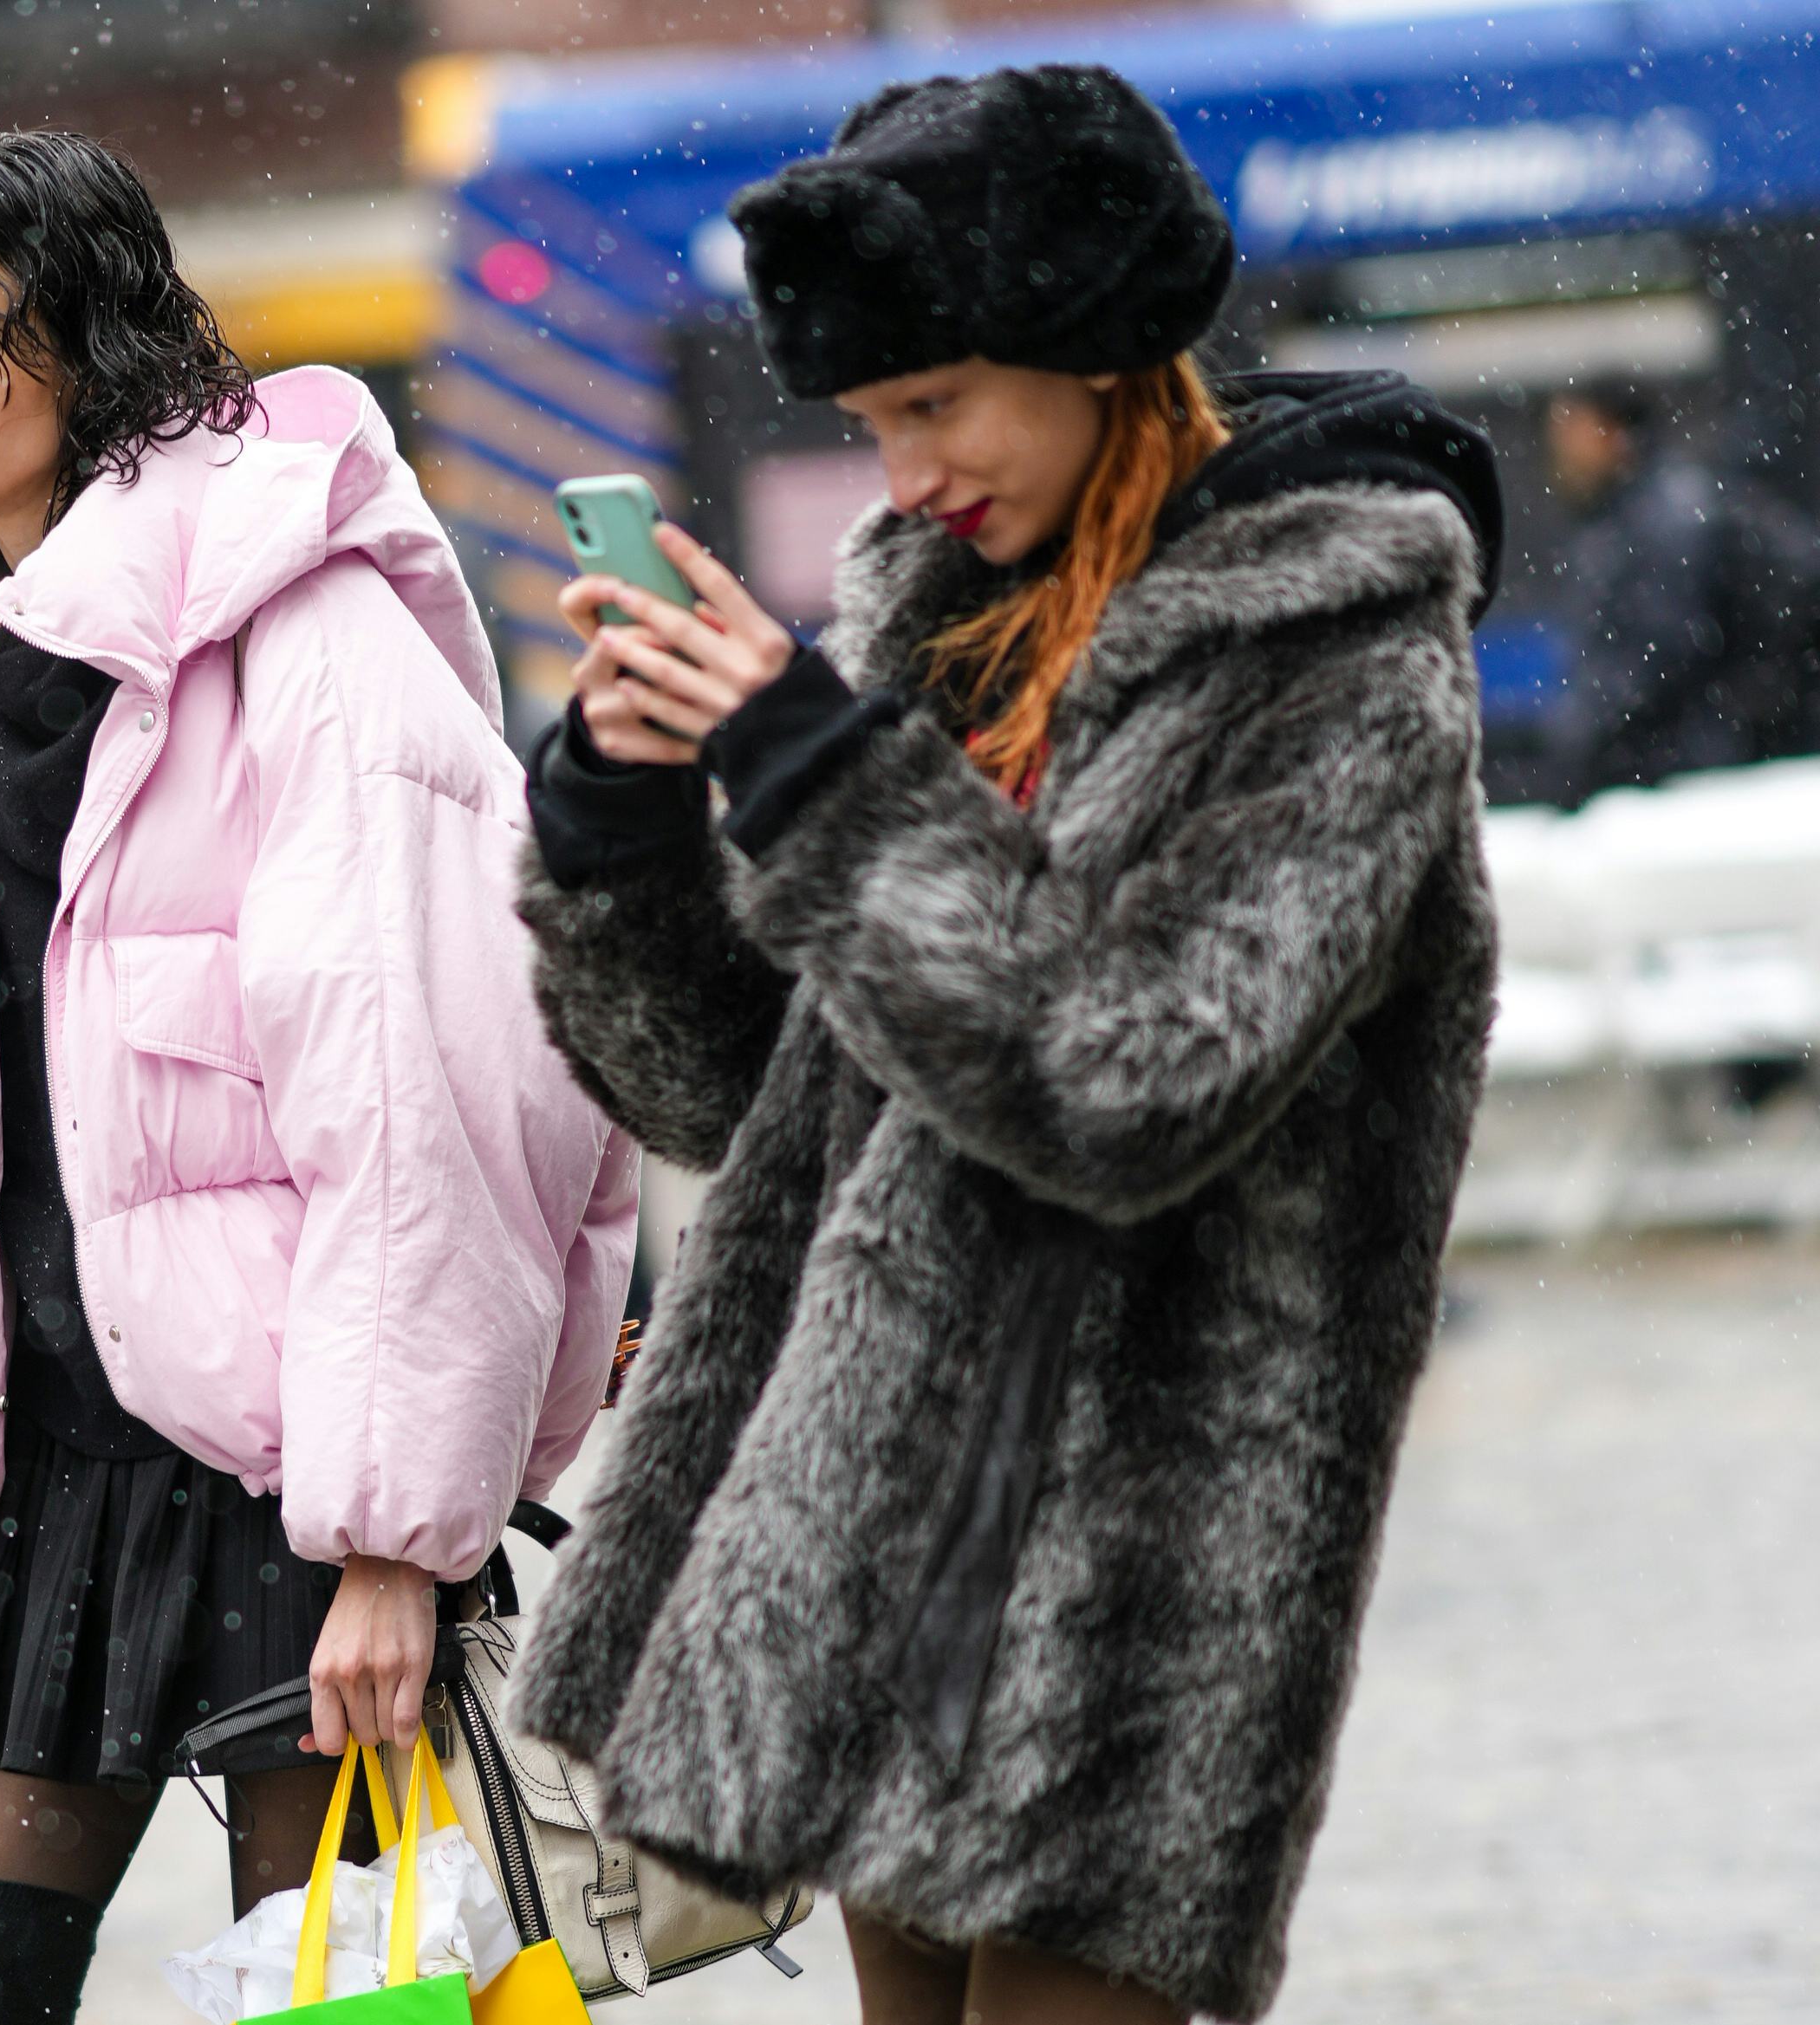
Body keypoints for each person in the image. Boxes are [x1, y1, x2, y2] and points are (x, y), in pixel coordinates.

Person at [508, 68, 1500, 2025]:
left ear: (1090, 349)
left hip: (1129, 1553)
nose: (900, 475)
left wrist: (814, 768)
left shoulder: (1333, 660)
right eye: (869, 422)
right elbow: (750, 1099)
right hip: (872, 1533)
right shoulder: (945, 639)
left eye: (933, 403)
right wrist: (623, 828)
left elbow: (1124, 1075)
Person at [0, 130, 636, 2024]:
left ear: (93, 335)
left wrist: (391, 1539)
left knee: (340, 2008)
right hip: (47, 1480)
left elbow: (428, 1103)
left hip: (289, 1471)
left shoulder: (309, 636)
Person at [1544, 375, 1820, 803]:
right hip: (1701, 773)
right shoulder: (1652, 511)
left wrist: (1580, 748)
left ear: (1612, 433)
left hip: (1688, 781)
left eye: (1571, 431)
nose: (1560, 452)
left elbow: (1655, 660)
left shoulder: (1655, 522)